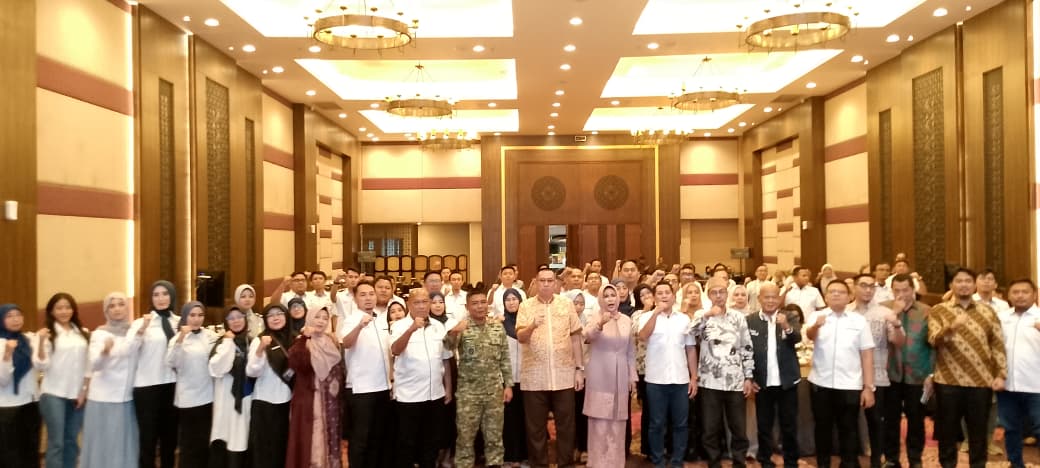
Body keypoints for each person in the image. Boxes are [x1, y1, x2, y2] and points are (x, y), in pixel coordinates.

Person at [927, 268, 1006, 468]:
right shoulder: (938, 310)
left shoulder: (988, 311)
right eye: (959, 281)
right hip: (947, 381)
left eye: (968, 281)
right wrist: (952, 327)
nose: (964, 284)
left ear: (974, 285)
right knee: (947, 431)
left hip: (980, 381)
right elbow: (933, 340)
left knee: (978, 432)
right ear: (951, 285)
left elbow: (997, 345)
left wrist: (1001, 374)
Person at [517, 267, 585, 468]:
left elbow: (575, 337)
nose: (546, 284)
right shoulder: (526, 306)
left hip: (563, 375)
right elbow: (521, 337)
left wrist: (579, 369)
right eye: (542, 280)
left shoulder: (566, 304)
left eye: (549, 280)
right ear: (536, 282)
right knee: (535, 427)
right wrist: (531, 325)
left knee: (566, 425)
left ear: (556, 283)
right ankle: (539, 464)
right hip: (534, 377)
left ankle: (565, 463)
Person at [805, 281, 875, 468]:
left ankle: (849, 464)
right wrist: (816, 326)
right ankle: (823, 464)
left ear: (849, 296)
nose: (836, 295)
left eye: (841, 292)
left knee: (849, 429)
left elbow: (867, 354)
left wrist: (868, 387)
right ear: (826, 296)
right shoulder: (816, 316)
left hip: (850, 384)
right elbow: (809, 337)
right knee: (822, 428)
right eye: (832, 291)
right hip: (820, 383)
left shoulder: (858, 321)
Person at [691, 278, 755, 468]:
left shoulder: (738, 317)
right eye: (714, 292)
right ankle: (714, 462)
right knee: (710, 428)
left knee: (738, 428)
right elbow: (689, 333)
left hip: (735, 380)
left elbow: (746, 347)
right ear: (708, 295)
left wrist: (748, 377)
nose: (718, 296)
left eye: (722, 292)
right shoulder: (702, 315)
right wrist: (707, 315)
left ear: (727, 294)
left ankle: (739, 461)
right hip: (709, 381)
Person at [391, 289, 454, 468]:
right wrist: (411, 329)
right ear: (409, 305)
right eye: (417, 302)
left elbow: (445, 359)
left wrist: (448, 388)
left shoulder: (438, 326)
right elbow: (395, 350)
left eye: (425, 302)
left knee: (431, 442)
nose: (421, 306)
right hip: (409, 396)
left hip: (435, 394)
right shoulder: (399, 326)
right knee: (407, 443)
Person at [638, 282, 698, 468]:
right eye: (660, 293)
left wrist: (693, 377)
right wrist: (655, 313)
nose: (664, 296)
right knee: (656, 424)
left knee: (681, 424)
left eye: (667, 293)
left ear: (673, 296)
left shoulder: (684, 319)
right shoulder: (646, 316)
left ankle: (677, 461)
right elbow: (643, 336)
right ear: (655, 297)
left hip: (680, 379)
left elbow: (690, 349)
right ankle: (658, 462)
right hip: (656, 379)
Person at [848, 274, 904, 468]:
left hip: (877, 376)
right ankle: (851, 461)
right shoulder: (845, 311)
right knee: (849, 421)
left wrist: (896, 323)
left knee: (876, 421)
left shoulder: (884, 313)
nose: (868, 290)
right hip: (848, 376)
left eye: (872, 286)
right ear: (854, 287)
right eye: (863, 285)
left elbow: (899, 341)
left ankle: (875, 462)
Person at [454, 289, 513, 468]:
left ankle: (495, 463)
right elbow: (447, 346)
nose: (480, 306)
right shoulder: (462, 327)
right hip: (468, 394)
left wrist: (508, 385)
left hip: (494, 392)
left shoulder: (497, 327)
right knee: (465, 436)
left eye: (483, 302)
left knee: (494, 435)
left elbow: (505, 358)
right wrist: (454, 331)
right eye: (475, 303)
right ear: (467, 306)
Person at [81, 293, 139, 468]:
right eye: (111, 306)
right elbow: (94, 364)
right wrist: (104, 352)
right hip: (103, 398)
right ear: (106, 311)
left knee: (122, 443)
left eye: (121, 304)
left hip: (126, 398)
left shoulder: (135, 332)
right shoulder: (100, 333)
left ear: (127, 307)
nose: (117, 309)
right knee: (103, 444)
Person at [746, 283, 801, 468]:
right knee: (764, 425)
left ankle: (791, 461)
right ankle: (765, 460)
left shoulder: (790, 316)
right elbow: (746, 351)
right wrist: (750, 377)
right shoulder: (750, 320)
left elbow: (797, 338)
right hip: (762, 382)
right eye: (766, 297)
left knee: (789, 425)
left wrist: (786, 325)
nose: (770, 300)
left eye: (774, 297)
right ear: (759, 299)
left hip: (787, 381)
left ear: (779, 298)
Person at [339, 281, 393, 468]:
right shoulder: (351, 319)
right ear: (355, 298)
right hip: (361, 389)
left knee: (377, 436)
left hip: (383, 386)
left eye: (371, 293)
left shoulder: (381, 319)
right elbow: (346, 343)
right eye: (363, 294)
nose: (368, 298)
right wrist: (359, 327)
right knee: (360, 438)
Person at [583, 284, 637, 468]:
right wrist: (600, 323)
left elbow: (630, 351)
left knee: (617, 422)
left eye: (613, 295)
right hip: (599, 374)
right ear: (601, 299)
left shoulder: (626, 320)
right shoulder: (595, 317)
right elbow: (587, 336)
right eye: (606, 296)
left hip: (621, 376)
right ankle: (597, 463)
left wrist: (632, 377)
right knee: (599, 422)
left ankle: (616, 463)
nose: (610, 299)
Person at [882, 274, 933, 468]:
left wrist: (931, 374)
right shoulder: (884, 309)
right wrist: (894, 313)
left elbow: (933, 344)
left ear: (913, 290)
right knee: (890, 419)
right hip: (890, 373)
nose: (901, 294)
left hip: (918, 374)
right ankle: (891, 458)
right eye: (897, 290)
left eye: (905, 290)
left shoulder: (926, 311)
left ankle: (915, 459)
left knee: (916, 419)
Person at [130, 280, 181, 468]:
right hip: (147, 387)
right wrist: (142, 329)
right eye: (156, 294)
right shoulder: (140, 323)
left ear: (172, 296)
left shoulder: (179, 322)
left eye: (165, 294)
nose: (161, 298)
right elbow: (130, 350)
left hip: (173, 385)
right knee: (148, 439)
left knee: (170, 439)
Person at [286, 306, 344, 468]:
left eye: (325, 318)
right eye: (317, 317)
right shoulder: (302, 341)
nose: (321, 321)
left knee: (330, 437)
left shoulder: (330, 341)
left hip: (331, 402)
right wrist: (305, 338)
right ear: (310, 318)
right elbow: (297, 364)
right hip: (309, 399)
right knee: (310, 439)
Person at [38, 293, 91, 468]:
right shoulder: (48, 334)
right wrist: (41, 342)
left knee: (71, 441)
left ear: (73, 310)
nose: (64, 311)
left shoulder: (82, 333)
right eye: (59, 308)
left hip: (77, 395)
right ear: (52, 311)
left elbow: (88, 365)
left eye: (67, 307)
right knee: (56, 443)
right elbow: (41, 365)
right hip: (53, 394)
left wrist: (84, 391)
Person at [165, 301, 217, 468]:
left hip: (207, 396)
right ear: (185, 316)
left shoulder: (210, 335)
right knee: (188, 444)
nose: (196, 319)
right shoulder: (177, 338)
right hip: (187, 399)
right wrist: (181, 338)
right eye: (192, 315)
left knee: (203, 442)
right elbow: (172, 362)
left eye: (200, 315)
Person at [997, 278, 1040, 468]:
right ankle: (1015, 464)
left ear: (1034, 294)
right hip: (1007, 385)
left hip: (1036, 385)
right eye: (1015, 292)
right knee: (1011, 429)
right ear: (1009, 295)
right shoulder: (1001, 317)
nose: (1020, 296)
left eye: (1025, 292)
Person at [247, 304, 295, 468]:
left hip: (286, 402)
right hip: (264, 402)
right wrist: (261, 349)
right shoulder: (259, 340)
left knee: (281, 447)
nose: (275, 318)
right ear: (266, 320)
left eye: (279, 313)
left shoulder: (294, 339)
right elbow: (252, 372)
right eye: (271, 315)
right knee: (264, 449)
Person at [209, 306, 256, 467]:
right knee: (229, 440)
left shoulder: (252, 341)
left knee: (245, 439)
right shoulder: (221, 343)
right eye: (231, 318)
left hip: (248, 398)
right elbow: (217, 368)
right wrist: (228, 342)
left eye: (239, 317)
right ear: (226, 322)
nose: (236, 321)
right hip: (227, 400)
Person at [0, 303, 42, 468]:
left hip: (31, 402)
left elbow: (40, 366)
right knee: (10, 455)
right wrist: (7, 354)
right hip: (7, 406)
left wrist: (42, 340)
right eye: (9, 316)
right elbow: (3, 380)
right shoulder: (1, 343)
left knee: (30, 451)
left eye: (18, 315)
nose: (15, 319)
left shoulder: (28, 340)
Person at [500, 288, 528, 467]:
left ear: (520, 301)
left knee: (526, 418)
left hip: (527, 379)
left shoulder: (527, 323)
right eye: (508, 300)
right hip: (507, 380)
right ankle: (511, 456)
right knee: (509, 420)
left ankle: (525, 455)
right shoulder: (499, 324)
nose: (511, 302)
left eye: (514, 299)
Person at [630, 284, 654, 458]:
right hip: (644, 367)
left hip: (663, 366)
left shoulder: (665, 312)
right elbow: (637, 333)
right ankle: (648, 447)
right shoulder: (637, 314)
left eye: (648, 293)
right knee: (649, 408)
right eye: (642, 295)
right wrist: (647, 310)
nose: (646, 297)